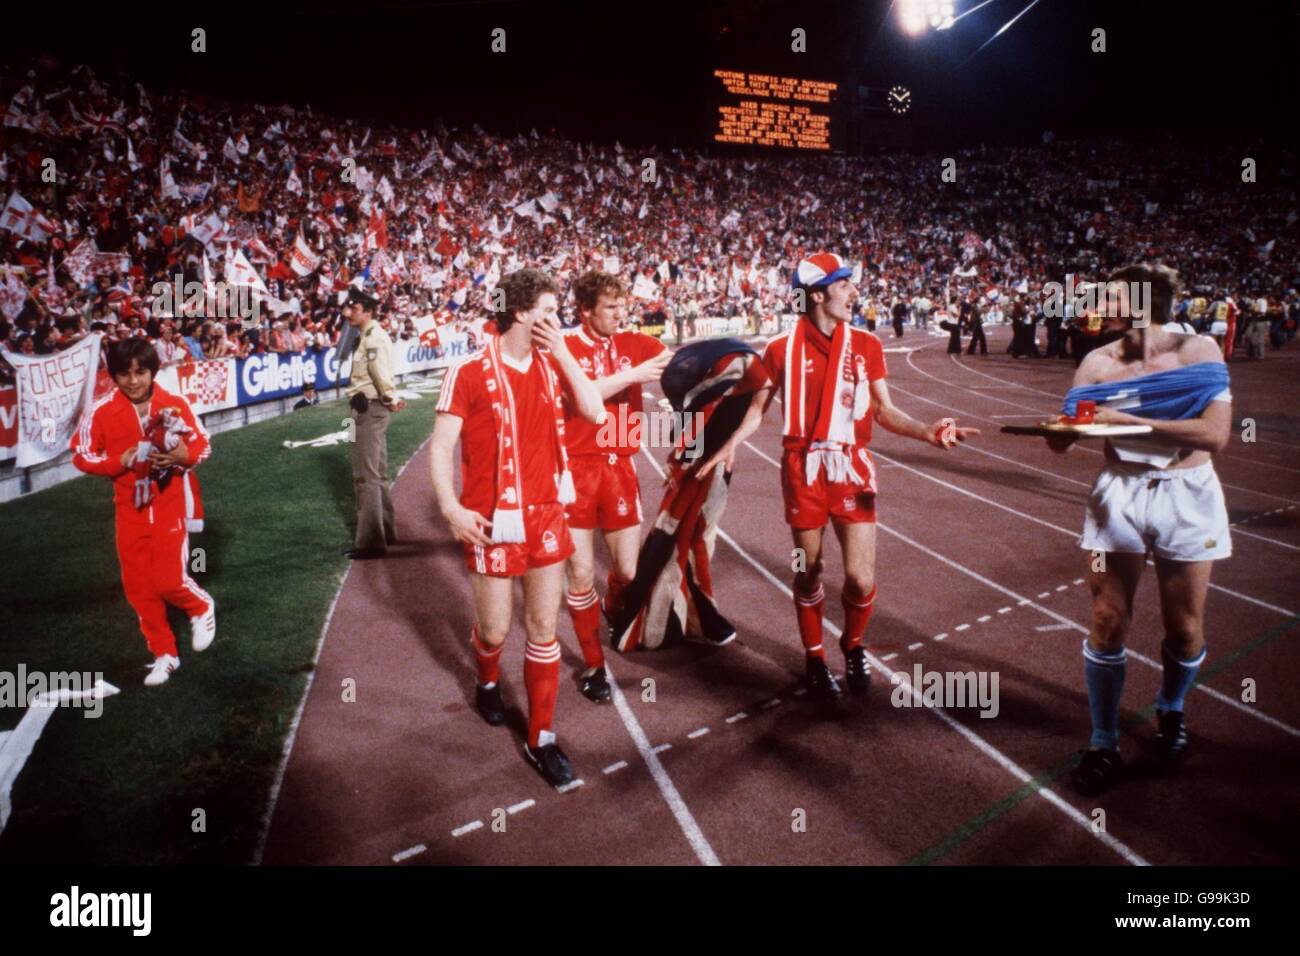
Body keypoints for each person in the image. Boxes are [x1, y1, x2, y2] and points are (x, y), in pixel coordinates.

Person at [699, 253, 978, 702]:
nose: (853, 292)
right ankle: (814, 657)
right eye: (844, 284)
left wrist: (929, 431)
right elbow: (755, 412)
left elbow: (884, 410)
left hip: (852, 469)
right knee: (808, 571)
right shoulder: (780, 349)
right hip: (801, 471)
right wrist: (730, 444)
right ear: (817, 294)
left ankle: (852, 645)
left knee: (861, 579)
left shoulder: (866, 345)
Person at [1044, 264, 1232, 796]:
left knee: (1184, 628)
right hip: (1117, 496)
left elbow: (1215, 435)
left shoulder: (1199, 354)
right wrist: (1063, 428)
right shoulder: (1097, 361)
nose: (1100, 303)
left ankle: (1170, 707)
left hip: (1187, 495)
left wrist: (1130, 422)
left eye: (1113, 295)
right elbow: (1064, 438)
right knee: (1106, 619)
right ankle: (1103, 741)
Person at [430, 268, 605, 787]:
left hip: (547, 513)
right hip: (491, 521)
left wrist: (567, 354)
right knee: (494, 630)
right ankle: (487, 679)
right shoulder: (467, 371)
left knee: (544, 627)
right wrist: (451, 510)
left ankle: (542, 739)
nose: (559, 321)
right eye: (550, 311)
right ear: (522, 312)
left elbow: (595, 411)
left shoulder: (555, 365)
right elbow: (441, 448)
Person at [70, 338, 216, 686]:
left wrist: (183, 456)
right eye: (124, 374)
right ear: (113, 375)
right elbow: (80, 454)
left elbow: (203, 445)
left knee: (168, 580)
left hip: (169, 503)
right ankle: (164, 654)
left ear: (153, 371)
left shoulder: (173, 404)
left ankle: (200, 607)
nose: (133, 381)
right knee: (137, 586)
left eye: (141, 372)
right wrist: (114, 463)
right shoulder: (101, 410)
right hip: (129, 509)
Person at [560, 271, 671, 702]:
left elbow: (681, 366)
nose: (620, 313)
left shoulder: (634, 344)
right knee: (580, 573)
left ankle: (611, 606)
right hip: (576, 469)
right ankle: (593, 666)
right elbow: (582, 397)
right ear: (586, 310)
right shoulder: (566, 347)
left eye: (622, 305)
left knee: (627, 571)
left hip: (619, 467)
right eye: (610, 306)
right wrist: (635, 374)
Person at [343, 287, 404, 559]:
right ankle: (386, 532)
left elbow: (379, 372)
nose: (347, 313)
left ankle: (370, 543)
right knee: (377, 474)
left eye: (353, 309)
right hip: (369, 408)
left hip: (369, 410)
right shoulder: (368, 336)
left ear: (367, 311)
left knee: (365, 476)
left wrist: (390, 397)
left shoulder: (372, 338)